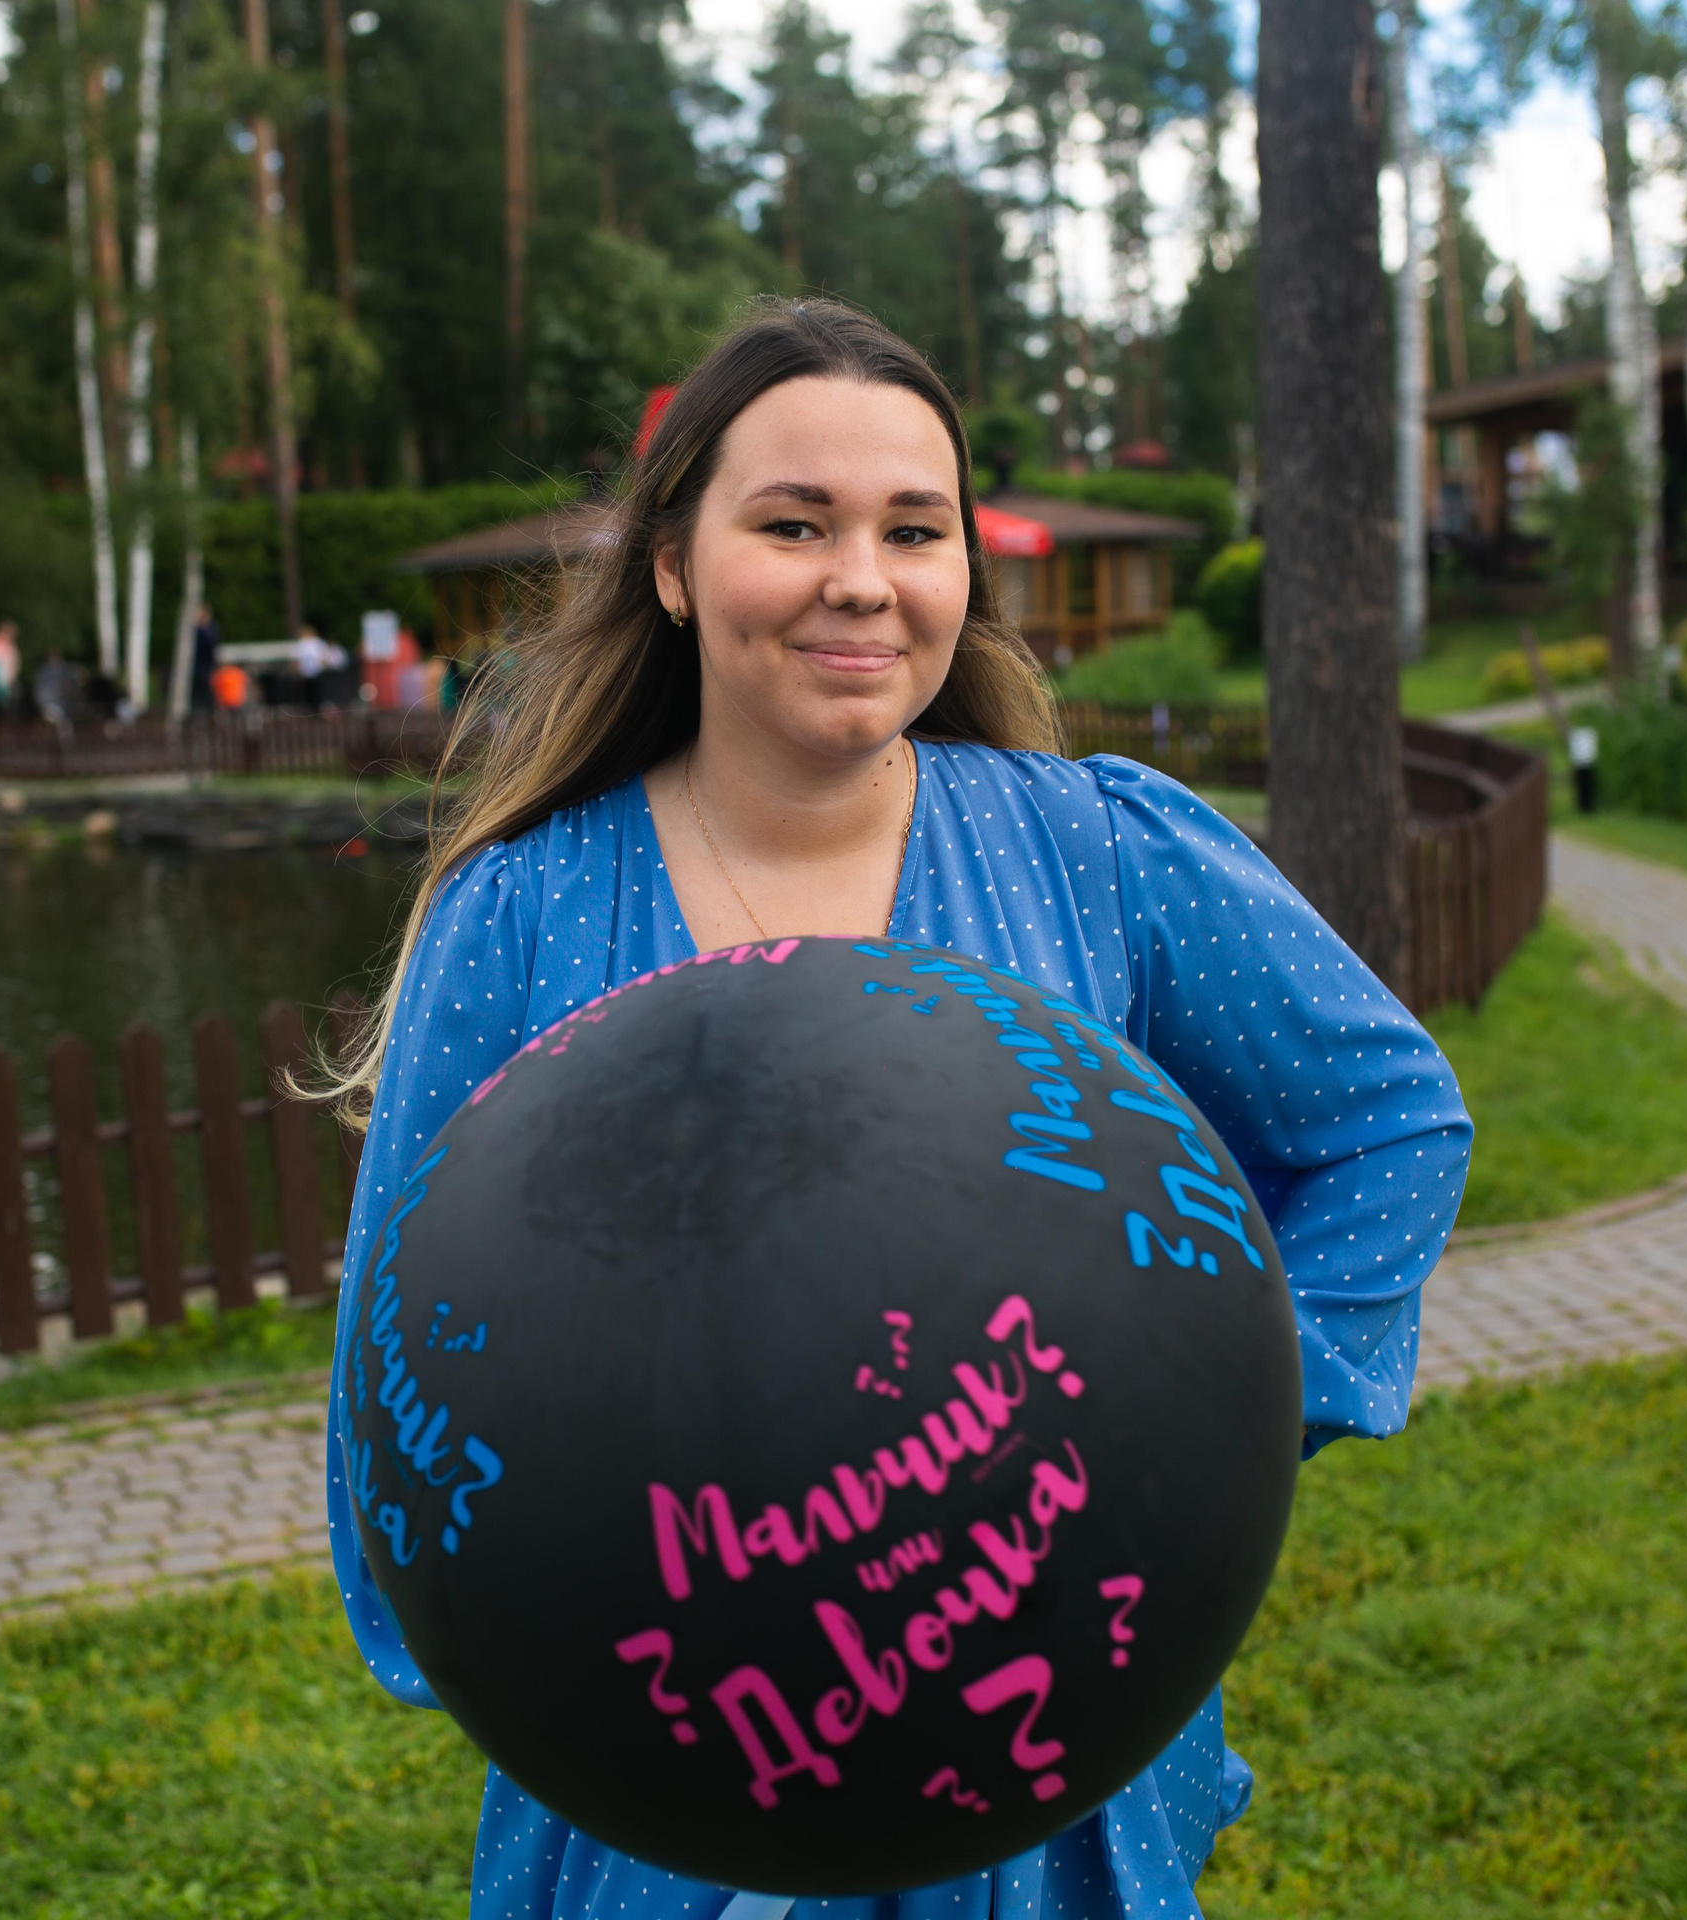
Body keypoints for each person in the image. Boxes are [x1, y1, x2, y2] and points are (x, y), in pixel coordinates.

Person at [320, 301, 1472, 1920]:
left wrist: (1222, 1410)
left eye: (913, 530)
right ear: (673, 562)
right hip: (669, 1809)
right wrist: (509, 1635)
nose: (861, 577)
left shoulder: (1095, 848)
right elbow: (398, 1350)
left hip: (1038, 1776)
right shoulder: (520, 912)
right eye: (794, 523)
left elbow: (1385, 1119)